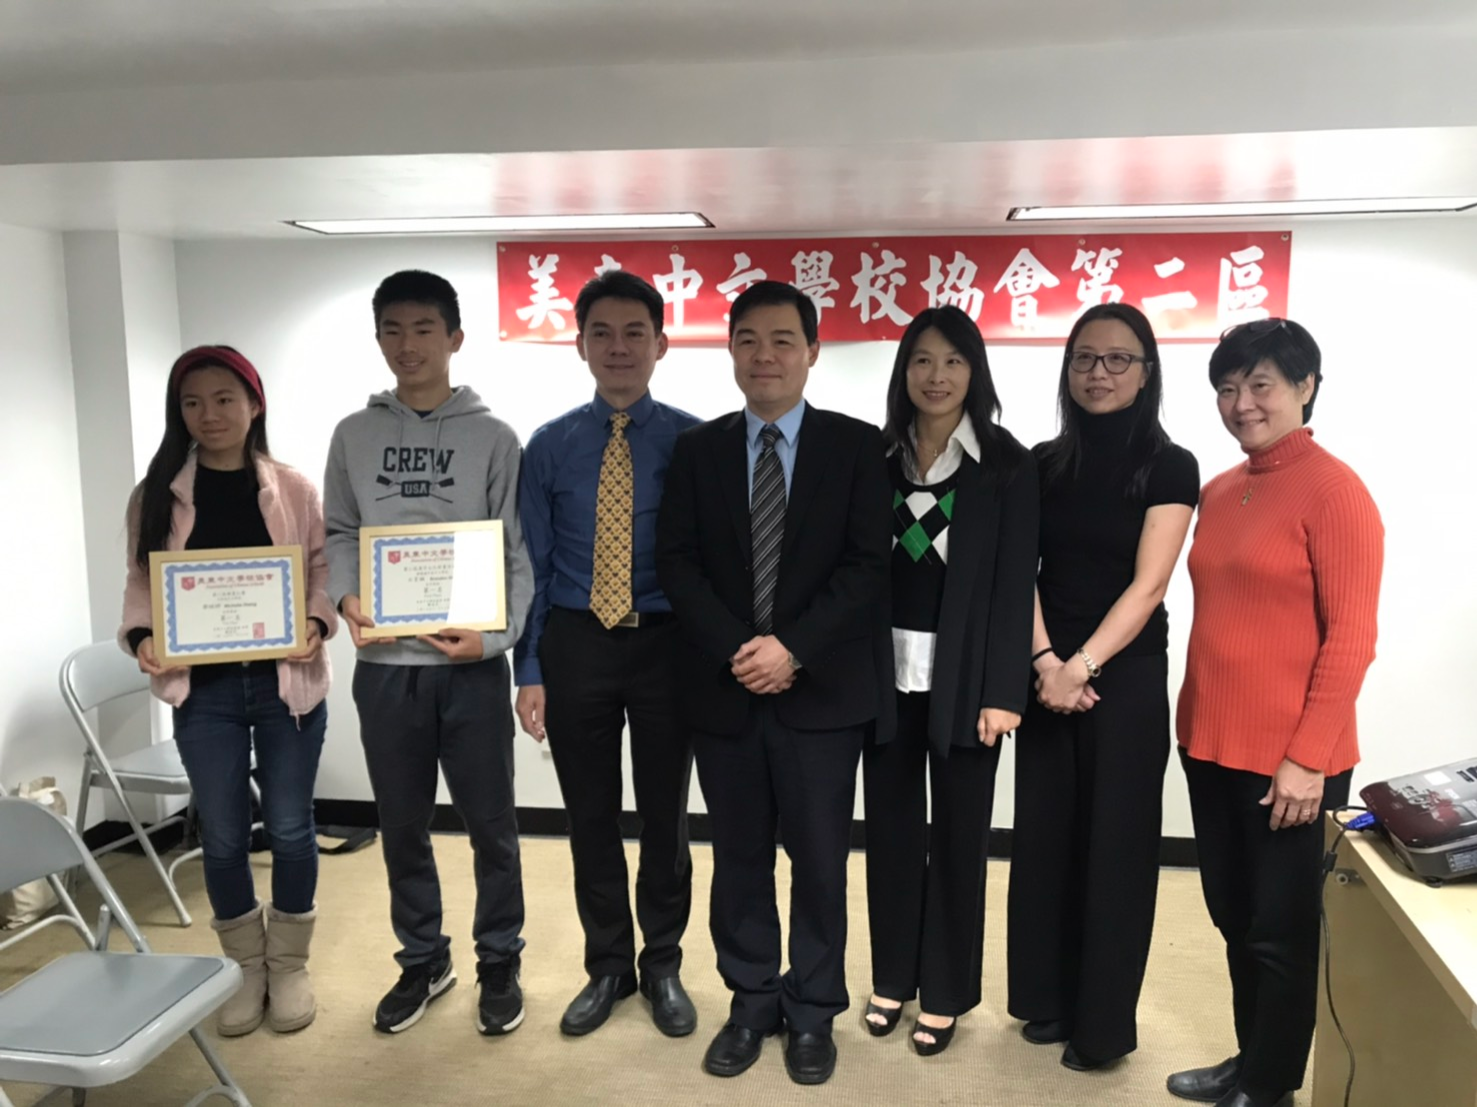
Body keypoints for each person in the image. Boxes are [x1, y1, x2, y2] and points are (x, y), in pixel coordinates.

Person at [655, 280, 890, 1086]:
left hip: (821, 696)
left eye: (783, 340)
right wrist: (741, 650)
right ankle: (751, 1000)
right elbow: (677, 563)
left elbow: (866, 566)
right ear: (729, 350)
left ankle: (813, 1009)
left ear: (812, 351)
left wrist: (791, 648)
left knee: (820, 861)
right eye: (748, 340)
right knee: (739, 858)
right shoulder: (698, 450)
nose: (765, 356)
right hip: (724, 693)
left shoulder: (856, 448)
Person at [1168, 319, 1382, 1107]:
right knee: (1232, 916)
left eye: (1259, 384)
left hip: (1290, 759)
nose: (1241, 403)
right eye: (1227, 388)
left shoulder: (1335, 491)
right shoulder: (1222, 489)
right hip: (1209, 743)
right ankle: (1249, 1058)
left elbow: (1351, 638)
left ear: (1304, 386)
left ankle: (1269, 1086)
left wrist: (1307, 758)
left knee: (1280, 931)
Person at [323, 269, 534, 1037]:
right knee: (402, 824)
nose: (406, 345)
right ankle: (422, 957)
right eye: (392, 330)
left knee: (492, 826)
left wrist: (494, 637)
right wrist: (347, 597)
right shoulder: (353, 434)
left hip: (470, 668)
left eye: (421, 329)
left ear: (454, 338)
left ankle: (499, 958)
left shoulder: (493, 437)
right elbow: (339, 531)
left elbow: (516, 552)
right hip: (385, 671)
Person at [119, 345, 336, 1037]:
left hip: (286, 686)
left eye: (223, 399)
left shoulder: (293, 488)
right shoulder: (157, 494)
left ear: (254, 404)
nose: (208, 414)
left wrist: (314, 621)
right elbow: (141, 584)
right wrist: (142, 636)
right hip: (204, 693)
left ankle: (289, 964)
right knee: (221, 835)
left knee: (292, 827)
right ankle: (245, 966)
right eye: (192, 403)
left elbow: (322, 569)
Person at [1007, 302, 1199, 1071]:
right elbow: (1019, 570)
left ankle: (1101, 1026)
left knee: (1114, 849)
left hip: (1124, 677)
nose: (1098, 372)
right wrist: (1044, 661)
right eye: (1084, 357)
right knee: (1045, 840)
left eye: (1118, 359)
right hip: (1044, 671)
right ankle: (1047, 1000)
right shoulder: (1040, 462)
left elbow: (1149, 585)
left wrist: (1079, 665)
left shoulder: (1170, 465)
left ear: (1146, 372)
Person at [514, 271, 700, 1038]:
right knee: (588, 814)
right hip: (575, 640)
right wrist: (528, 668)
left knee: (664, 815)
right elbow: (530, 563)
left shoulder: (695, 441)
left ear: (661, 344)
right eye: (602, 333)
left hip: (666, 645)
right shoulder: (548, 445)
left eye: (634, 333)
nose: (618, 348)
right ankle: (608, 965)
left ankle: (662, 962)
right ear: (580, 344)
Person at [862, 307, 1038, 1056]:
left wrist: (1004, 692)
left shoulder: (1005, 463)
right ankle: (892, 978)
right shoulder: (876, 457)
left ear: (975, 372)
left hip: (968, 685)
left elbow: (1015, 583)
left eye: (953, 362)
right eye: (922, 361)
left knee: (961, 837)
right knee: (890, 834)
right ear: (904, 371)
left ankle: (944, 991)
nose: (936, 376)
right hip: (884, 677)